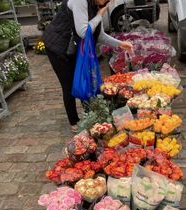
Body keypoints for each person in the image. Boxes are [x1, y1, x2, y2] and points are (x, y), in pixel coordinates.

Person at [43, 0, 133, 132]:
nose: (107, 2)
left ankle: (90, 116)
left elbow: (99, 35)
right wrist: (99, 16)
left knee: (84, 79)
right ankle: (74, 122)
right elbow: (84, 32)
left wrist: (120, 44)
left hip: (74, 47)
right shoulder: (80, 1)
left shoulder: (96, 5)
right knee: (69, 84)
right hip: (58, 46)